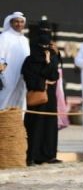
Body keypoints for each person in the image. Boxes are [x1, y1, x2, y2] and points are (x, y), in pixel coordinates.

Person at [22, 34, 61, 165]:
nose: (45, 49)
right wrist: (43, 80)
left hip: (50, 98)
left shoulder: (51, 57)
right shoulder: (29, 61)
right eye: (42, 47)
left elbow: (55, 76)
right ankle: (32, 156)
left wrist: (50, 61)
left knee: (50, 126)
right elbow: (29, 78)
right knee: (35, 126)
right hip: (37, 98)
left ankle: (49, 155)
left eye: (47, 46)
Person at [0, 11, 29, 110]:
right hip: (8, 74)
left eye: (21, 22)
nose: (19, 24)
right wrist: (2, 71)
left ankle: (15, 124)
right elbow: (1, 54)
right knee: (4, 97)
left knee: (20, 99)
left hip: (22, 75)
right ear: (11, 23)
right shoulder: (4, 37)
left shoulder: (24, 40)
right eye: (16, 21)